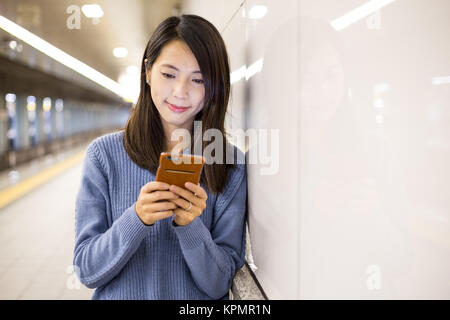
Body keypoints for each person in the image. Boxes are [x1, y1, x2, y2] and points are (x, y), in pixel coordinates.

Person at [73, 14, 247, 300]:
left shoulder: (230, 165)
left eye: (198, 79)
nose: (181, 92)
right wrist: (137, 218)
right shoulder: (103, 156)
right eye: (169, 75)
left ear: (214, 87)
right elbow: (87, 270)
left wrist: (191, 226)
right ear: (148, 72)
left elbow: (219, 284)